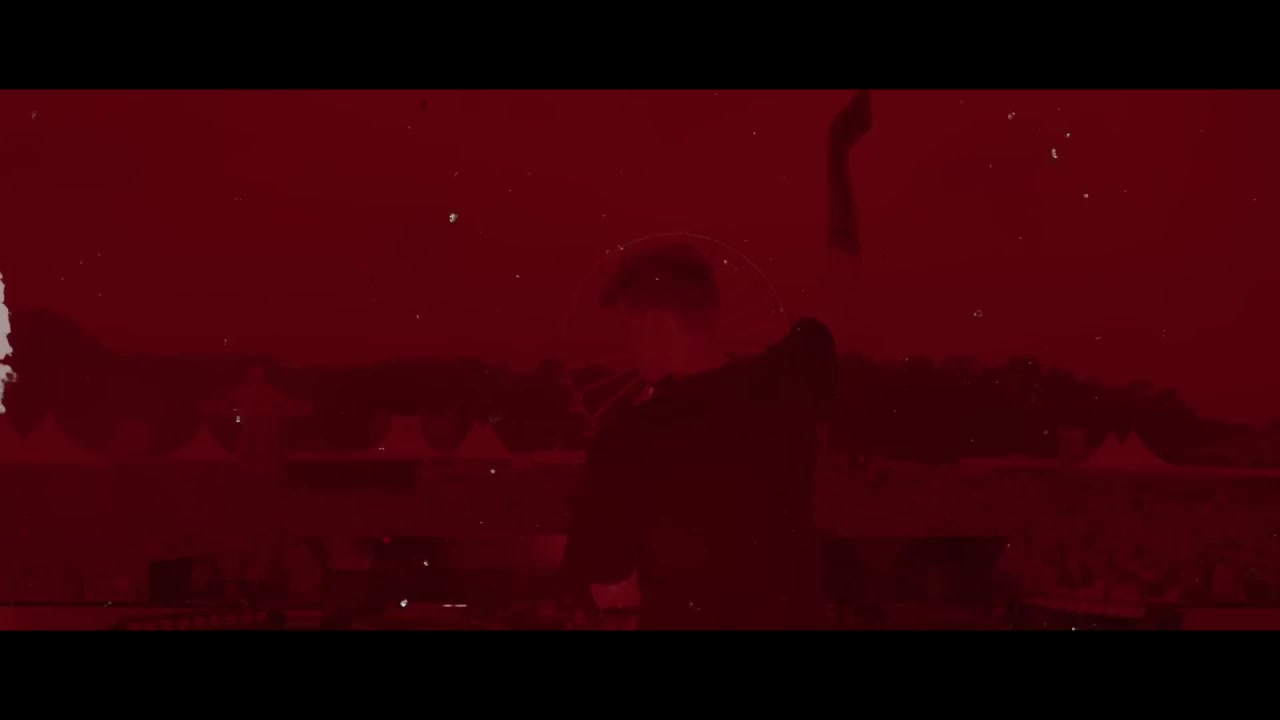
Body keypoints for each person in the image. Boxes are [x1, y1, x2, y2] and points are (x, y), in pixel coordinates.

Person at [561, 238, 839, 630]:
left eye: (629, 330)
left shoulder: (627, 441)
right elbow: (818, 332)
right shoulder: (787, 389)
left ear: (656, 325)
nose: (628, 347)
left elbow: (601, 574)